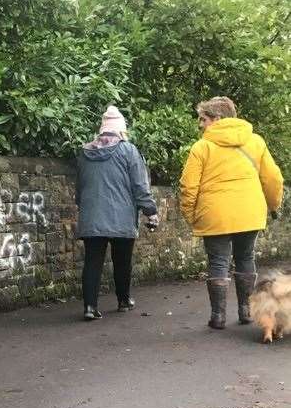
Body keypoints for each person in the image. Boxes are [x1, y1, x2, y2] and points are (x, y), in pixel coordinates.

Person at [179, 96, 284, 330]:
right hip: (249, 212)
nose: (200, 124)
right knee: (246, 258)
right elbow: (273, 178)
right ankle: (246, 311)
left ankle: (218, 316)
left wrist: (190, 215)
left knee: (218, 262)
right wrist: (273, 204)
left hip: (214, 213)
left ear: (217, 119)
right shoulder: (255, 141)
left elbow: (188, 186)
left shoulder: (202, 147)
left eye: (203, 119)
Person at [76, 106, 159, 321]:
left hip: (92, 216)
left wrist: (83, 207)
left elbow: (80, 187)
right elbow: (140, 186)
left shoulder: (85, 152)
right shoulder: (129, 151)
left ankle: (89, 307)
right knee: (122, 261)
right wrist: (151, 212)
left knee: (92, 262)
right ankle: (123, 300)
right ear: (121, 130)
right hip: (121, 217)